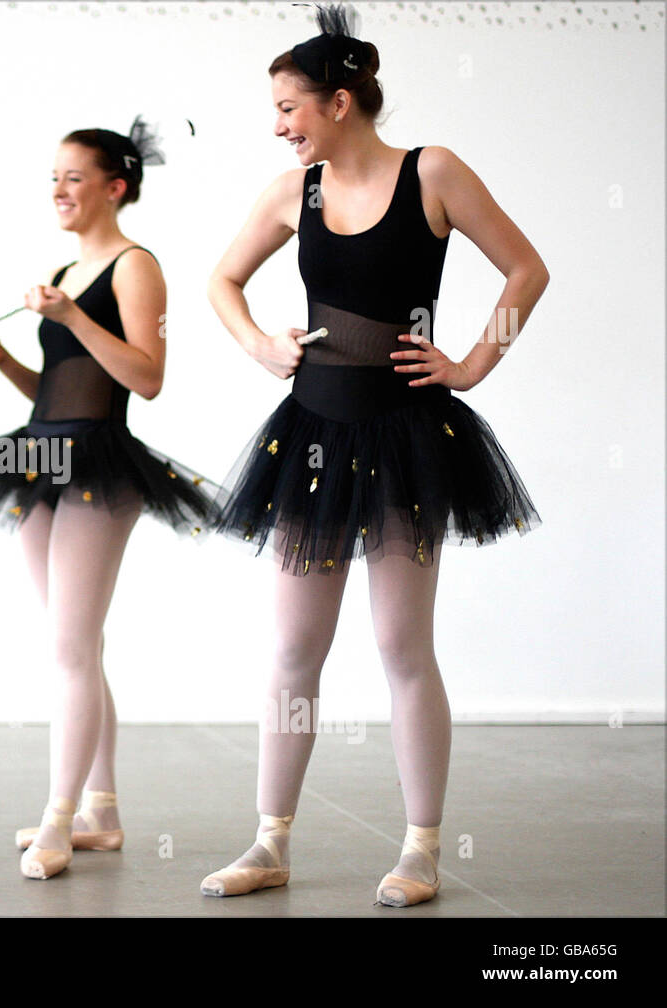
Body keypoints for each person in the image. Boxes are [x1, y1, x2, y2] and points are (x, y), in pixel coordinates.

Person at [202, 5, 546, 907]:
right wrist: (259, 346)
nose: (279, 126)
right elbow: (221, 282)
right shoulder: (293, 192)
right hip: (312, 433)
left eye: (289, 108)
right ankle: (270, 840)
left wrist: (471, 362)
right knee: (293, 649)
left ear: (341, 102)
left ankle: (421, 848)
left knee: (401, 643)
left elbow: (526, 268)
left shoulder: (431, 172)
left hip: (404, 441)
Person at [0, 119, 213, 880]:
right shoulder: (66, 270)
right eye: (53, 177)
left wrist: (73, 318)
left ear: (115, 186)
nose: (58, 190)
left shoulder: (134, 267)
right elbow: (56, 392)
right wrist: (3, 358)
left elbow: (146, 378)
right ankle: (99, 812)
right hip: (40, 451)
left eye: (74, 177)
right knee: (74, 645)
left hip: (100, 461)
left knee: (71, 650)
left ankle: (58, 819)